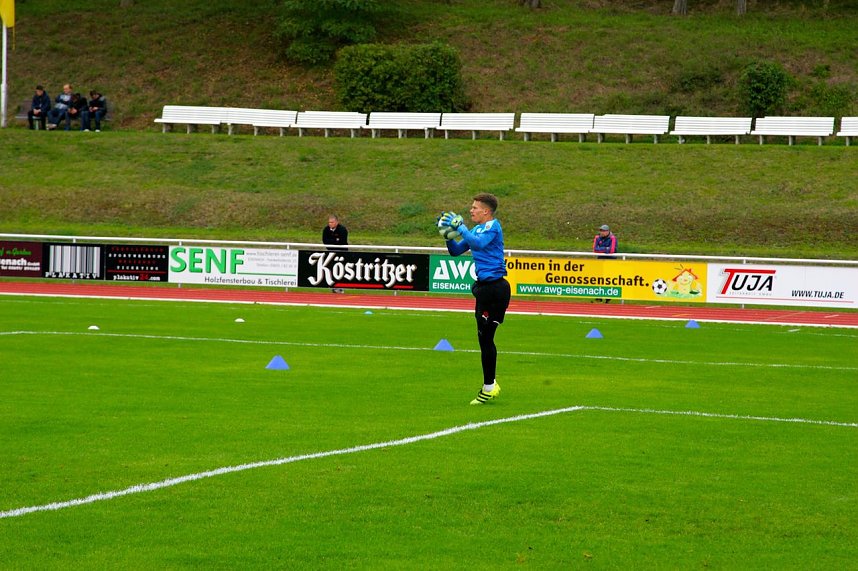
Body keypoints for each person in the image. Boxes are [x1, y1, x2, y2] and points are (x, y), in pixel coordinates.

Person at [441, 193, 511, 405]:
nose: (471, 211)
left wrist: (460, 227)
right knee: (483, 338)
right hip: (484, 289)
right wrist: (447, 235)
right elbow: (456, 251)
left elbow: (479, 244)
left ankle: (490, 386)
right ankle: (489, 386)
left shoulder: (493, 227)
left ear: (486, 211)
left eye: (474, 208)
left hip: (495, 289)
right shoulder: (476, 229)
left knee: (486, 337)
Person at [322, 215, 349, 293]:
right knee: (331, 269)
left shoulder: (342, 229)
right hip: (331, 253)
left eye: (332, 222)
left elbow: (342, 241)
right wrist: (335, 241)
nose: (330, 224)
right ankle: (333, 286)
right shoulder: (326, 229)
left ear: (337, 222)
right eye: (329, 222)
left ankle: (341, 287)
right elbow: (325, 241)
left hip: (342, 253)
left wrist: (333, 241)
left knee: (341, 270)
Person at [592, 224, 617, 303]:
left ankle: (608, 296)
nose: (602, 232)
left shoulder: (612, 238)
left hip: (610, 261)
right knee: (599, 278)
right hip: (601, 260)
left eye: (603, 231)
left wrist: (602, 249)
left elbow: (612, 250)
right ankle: (599, 296)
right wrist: (606, 249)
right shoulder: (597, 238)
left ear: (608, 231)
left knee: (609, 278)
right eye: (601, 231)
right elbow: (595, 249)